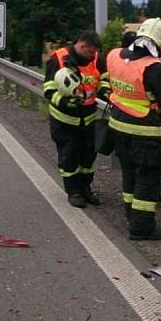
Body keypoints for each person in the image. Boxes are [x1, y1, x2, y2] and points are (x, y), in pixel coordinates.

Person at [107, 18, 161, 240]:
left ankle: (132, 214)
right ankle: (142, 227)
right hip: (144, 131)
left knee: (129, 173)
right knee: (148, 177)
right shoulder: (153, 67)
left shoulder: (114, 55)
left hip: (118, 125)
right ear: (159, 43)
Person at [43, 31, 111, 208]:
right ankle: (73, 191)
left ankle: (86, 187)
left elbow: (104, 79)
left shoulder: (96, 58)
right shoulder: (58, 59)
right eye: (90, 52)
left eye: (95, 53)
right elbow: (49, 91)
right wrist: (67, 103)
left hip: (89, 118)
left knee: (88, 158)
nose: (93, 56)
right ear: (81, 46)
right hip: (64, 120)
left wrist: (105, 91)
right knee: (69, 157)